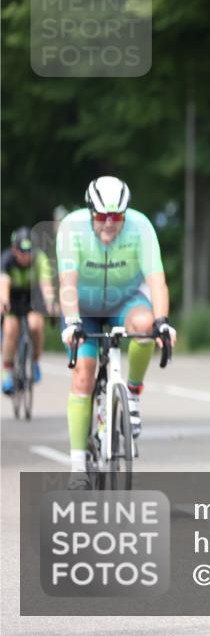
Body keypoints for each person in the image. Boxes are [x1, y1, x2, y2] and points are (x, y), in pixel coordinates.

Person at [57, 176, 176, 486]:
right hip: (84, 308)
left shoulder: (141, 227)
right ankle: (78, 467)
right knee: (83, 374)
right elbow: (67, 284)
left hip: (126, 300)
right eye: (102, 216)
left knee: (146, 326)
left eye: (117, 217)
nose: (109, 224)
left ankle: (133, 393)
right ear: (89, 212)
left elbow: (156, 281)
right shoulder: (71, 228)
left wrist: (162, 321)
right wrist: (72, 323)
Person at [1, 227, 57, 393]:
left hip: (33, 297)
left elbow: (46, 284)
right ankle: (8, 372)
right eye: (22, 251)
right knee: (10, 330)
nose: (26, 255)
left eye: (29, 251)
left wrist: (50, 302)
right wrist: (3, 301)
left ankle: (35, 361)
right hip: (13, 298)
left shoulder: (39, 259)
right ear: (14, 249)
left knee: (36, 326)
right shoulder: (6, 260)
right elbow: (3, 285)